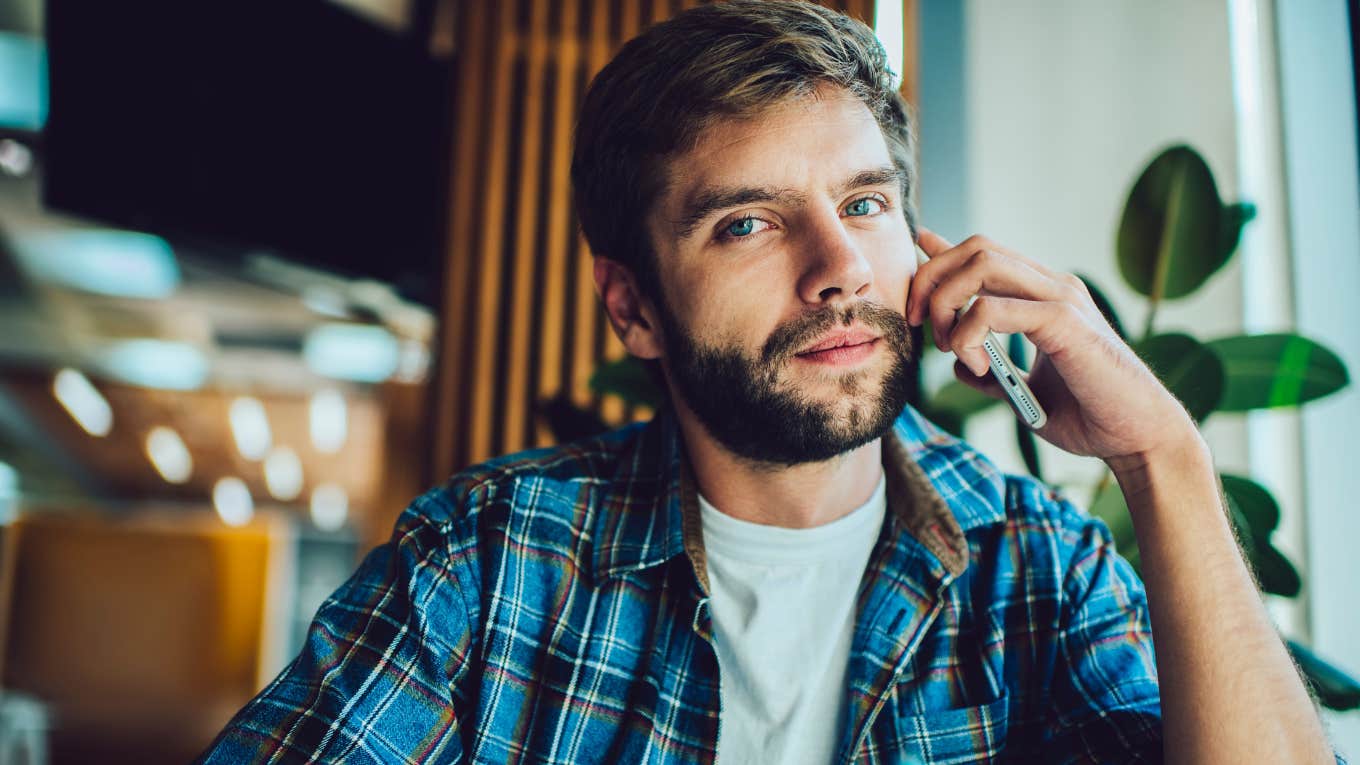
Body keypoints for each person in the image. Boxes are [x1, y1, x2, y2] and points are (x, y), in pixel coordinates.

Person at [198, 2, 1340, 762]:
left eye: (862, 204)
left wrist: (1164, 457)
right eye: (747, 223)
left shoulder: (1038, 572)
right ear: (634, 307)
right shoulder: (490, 566)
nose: (839, 268)